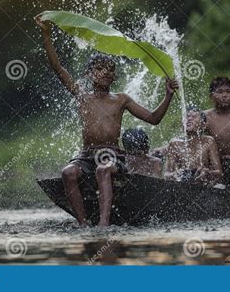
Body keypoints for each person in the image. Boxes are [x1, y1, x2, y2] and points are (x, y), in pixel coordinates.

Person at [36, 15, 178, 227]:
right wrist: (46, 33)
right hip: (86, 155)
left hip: (112, 156)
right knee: (68, 172)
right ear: (90, 74)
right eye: (100, 68)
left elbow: (154, 119)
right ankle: (83, 223)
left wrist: (168, 95)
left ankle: (103, 224)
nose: (105, 73)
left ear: (114, 77)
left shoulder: (121, 99)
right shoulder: (82, 96)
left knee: (103, 169)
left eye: (110, 70)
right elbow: (57, 67)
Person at [164, 106, 222, 183]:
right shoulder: (175, 143)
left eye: (194, 117)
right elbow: (166, 174)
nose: (189, 119)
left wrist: (207, 173)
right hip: (183, 184)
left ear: (203, 125)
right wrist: (175, 174)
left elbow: (219, 173)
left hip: (204, 184)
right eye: (187, 116)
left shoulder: (208, 141)